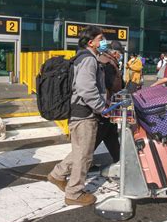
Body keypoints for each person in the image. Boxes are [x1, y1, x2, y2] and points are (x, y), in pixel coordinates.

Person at [47, 26, 107, 207]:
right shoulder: (89, 60)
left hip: (78, 111)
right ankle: (74, 193)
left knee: (79, 150)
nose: (103, 42)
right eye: (101, 38)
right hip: (84, 114)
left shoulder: (81, 57)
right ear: (91, 42)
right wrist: (101, 107)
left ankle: (57, 174)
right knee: (85, 155)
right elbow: (85, 88)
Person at [92, 40, 124, 167]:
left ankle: (120, 161)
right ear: (115, 53)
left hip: (109, 106)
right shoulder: (107, 64)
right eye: (120, 53)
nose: (120, 55)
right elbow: (109, 85)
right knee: (96, 138)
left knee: (111, 135)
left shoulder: (107, 61)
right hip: (105, 106)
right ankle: (74, 165)